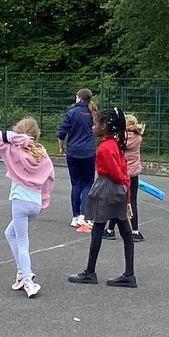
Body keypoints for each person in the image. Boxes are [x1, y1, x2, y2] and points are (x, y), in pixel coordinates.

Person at [68, 107, 137, 288]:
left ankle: (90, 272)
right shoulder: (115, 144)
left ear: (105, 125)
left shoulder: (105, 147)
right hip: (117, 190)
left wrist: (123, 183)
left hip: (107, 188)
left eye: (96, 123)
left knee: (98, 229)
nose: (93, 126)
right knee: (125, 230)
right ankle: (128, 273)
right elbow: (123, 170)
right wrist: (126, 190)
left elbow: (115, 173)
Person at [0, 117, 56, 298]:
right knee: (9, 233)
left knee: (22, 242)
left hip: (20, 201)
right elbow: (50, 177)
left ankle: (28, 279)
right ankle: (22, 272)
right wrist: (45, 200)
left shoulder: (12, 150)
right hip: (35, 202)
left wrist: (18, 139)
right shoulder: (41, 152)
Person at [57, 88, 97, 229]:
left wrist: (62, 148)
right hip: (89, 152)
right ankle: (85, 216)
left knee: (76, 184)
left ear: (79, 98)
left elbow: (62, 134)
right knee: (87, 184)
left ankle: (75, 216)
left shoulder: (71, 113)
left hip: (73, 151)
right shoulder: (93, 114)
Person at [104, 113, 146, 241]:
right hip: (133, 174)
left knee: (117, 201)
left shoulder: (120, 139)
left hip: (121, 173)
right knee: (132, 201)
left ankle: (110, 229)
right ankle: (135, 230)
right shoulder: (138, 138)